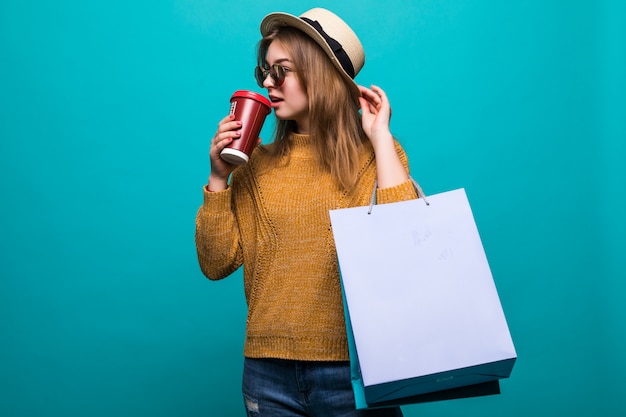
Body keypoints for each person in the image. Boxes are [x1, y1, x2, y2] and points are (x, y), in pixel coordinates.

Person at [196, 8, 417, 416]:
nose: (266, 82)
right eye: (265, 70)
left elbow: (405, 242)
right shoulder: (254, 163)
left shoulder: (377, 156)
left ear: (320, 75)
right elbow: (216, 263)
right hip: (267, 372)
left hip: (356, 370)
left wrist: (381, 138)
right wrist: (217, 178)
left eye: (282, 71)